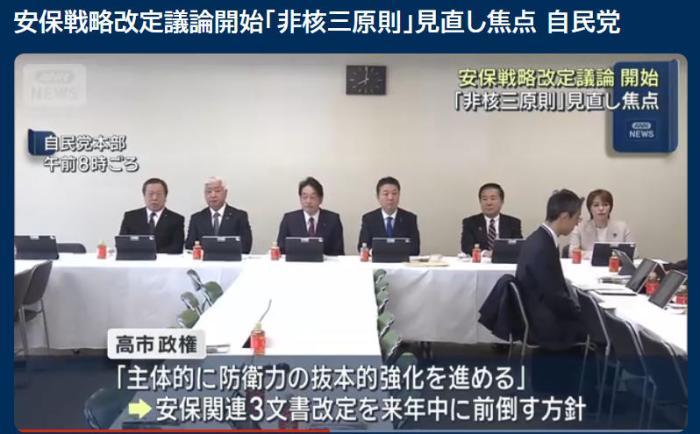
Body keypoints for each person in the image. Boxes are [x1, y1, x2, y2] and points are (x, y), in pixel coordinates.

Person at [516, 189, 585, 349]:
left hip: (538, 312)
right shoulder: (543, 247)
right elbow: (554, 296)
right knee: (603, 328)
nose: (577, 223)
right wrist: (581, 313)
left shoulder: (538, 238)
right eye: (577, 218)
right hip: (545, 322)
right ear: (564, 217)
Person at [276, 176, 344, 256]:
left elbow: (338, 252)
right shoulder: (289, 219)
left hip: (324, 263)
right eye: (305, 197)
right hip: (296, 263)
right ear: (300, 199)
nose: (308, 201)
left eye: (312, 197)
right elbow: (281, 250)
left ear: (321, 199)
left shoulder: (333, 220)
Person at [185, 177, 252, 253]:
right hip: (204, 260)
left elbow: (246, 246)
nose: (213, 195)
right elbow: (189, 246)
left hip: (231, 260)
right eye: (209, 191)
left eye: (217, 191)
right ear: (204, 194)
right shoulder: (196, 218)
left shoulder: (240, 216)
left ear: (225, 193)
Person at [119, 178, 184, 254]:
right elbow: (122, 243)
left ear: (165, 197)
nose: (154, 198)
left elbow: (177, 247)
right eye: (150, 194)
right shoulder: (130, 217)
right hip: (136, 260)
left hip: (164, 260)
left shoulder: (176, 219)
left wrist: (152, 254)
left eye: (159, 194)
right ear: (144, 196)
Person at [357, 176, 420, 255]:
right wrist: (374, 252)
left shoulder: (410, 218)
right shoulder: (369, 219)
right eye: (386, 194)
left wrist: (391, 252)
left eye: (394, 193)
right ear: (378, 197)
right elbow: (362, 246)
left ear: (399, 195)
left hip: (401, 261)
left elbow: (415, 249)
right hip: (377, 261)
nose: (390, 198)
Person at [569, 189, 633, 258]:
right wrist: (601, 255)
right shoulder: (579, 227)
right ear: (590, 208)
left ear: (610, 207)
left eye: (605, 205)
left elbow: (634, 254)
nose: (601, 208)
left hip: (615, 264)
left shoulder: (622, 227)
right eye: (596, 205)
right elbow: (572, 253)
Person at [461, 183, 523, 255]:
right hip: (480, 260)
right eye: (484, 199)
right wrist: (484, 253)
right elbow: (466, 247)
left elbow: (518, 247)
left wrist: (499, 253)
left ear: (502, 201)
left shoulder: (513, 223)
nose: (489, 203)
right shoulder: (470, 222)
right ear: (480, 201)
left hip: (504, 260)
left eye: (493, 199)